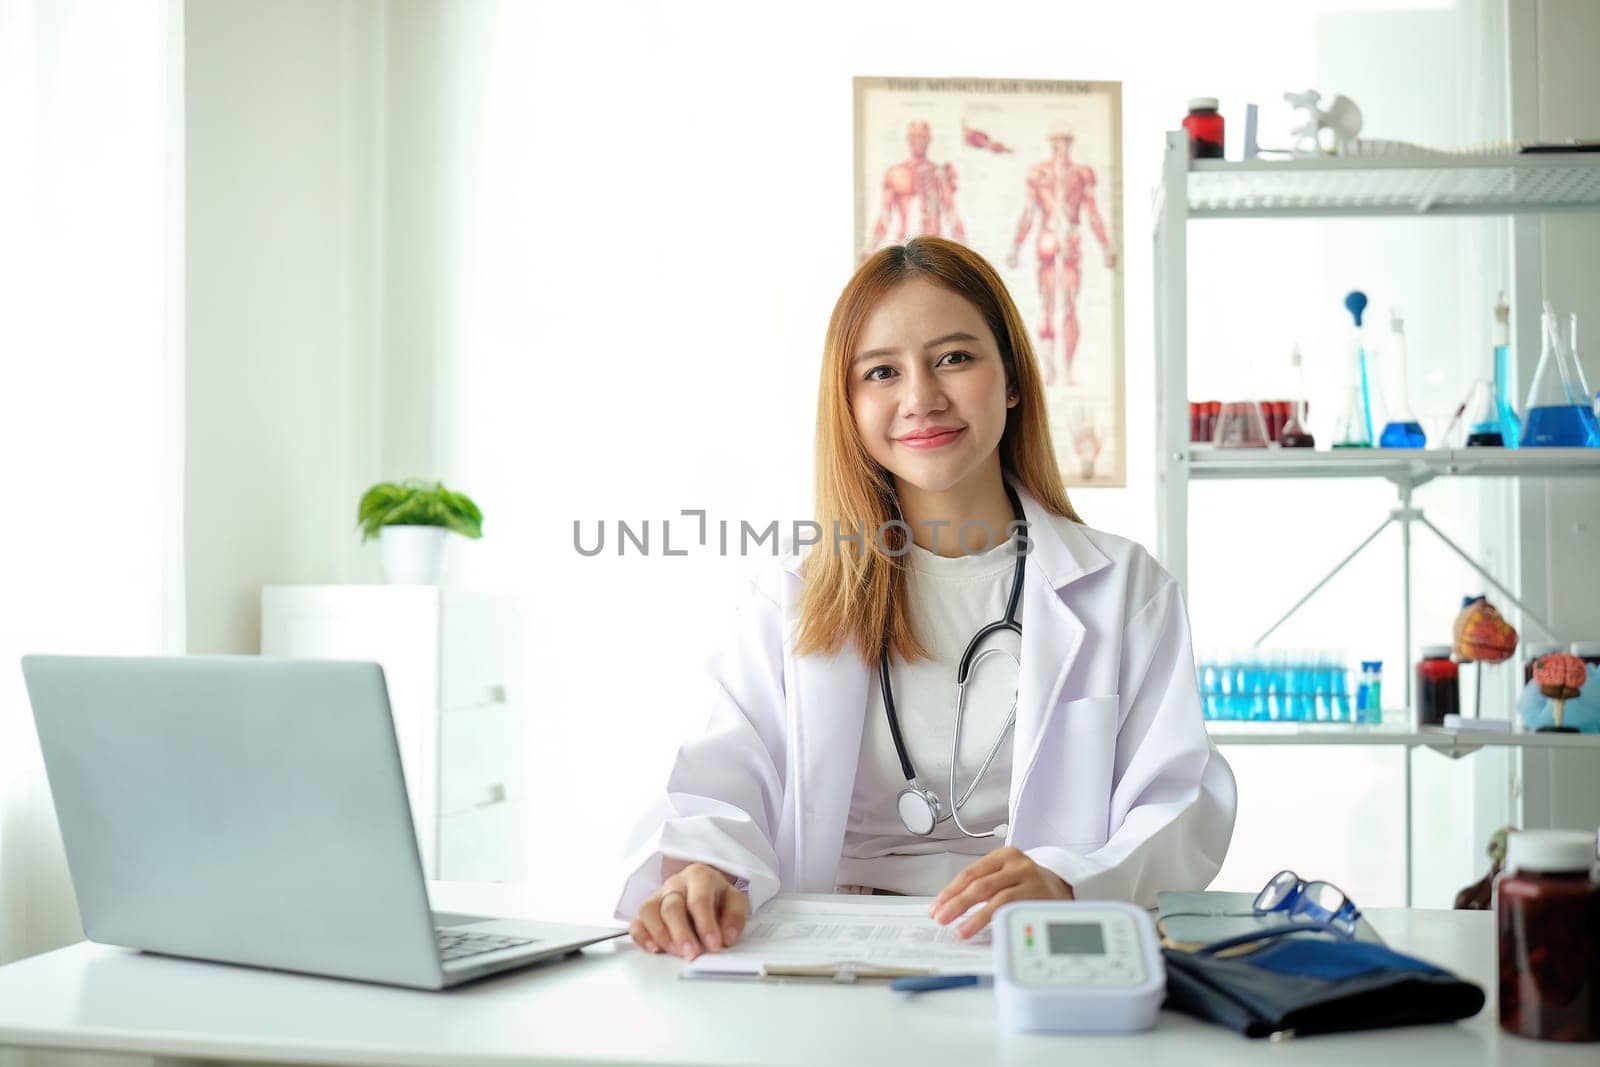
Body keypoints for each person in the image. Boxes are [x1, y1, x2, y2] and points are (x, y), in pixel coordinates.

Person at [616, 236, 1235, 960]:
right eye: (882, 371)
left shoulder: (1123, 587)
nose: (922, 397)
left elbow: (1181, 797)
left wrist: (1070, 878)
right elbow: (723, 778)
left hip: (1028, 945)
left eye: (954, 358)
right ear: (848, 405)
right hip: (830, 950)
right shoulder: (794, 591)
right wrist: (703, 871)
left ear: (1010, 379)